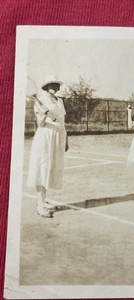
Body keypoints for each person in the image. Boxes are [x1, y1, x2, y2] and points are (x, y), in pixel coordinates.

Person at [27, 75, 67, 217]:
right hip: (45, 135)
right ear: (46, 87)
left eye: (56, 84)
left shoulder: (60, 100)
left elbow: (62, 120)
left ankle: (44, 200)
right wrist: (43, 114)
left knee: (50, 169)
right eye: (51, 84)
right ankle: (40, 205)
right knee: (42, 168)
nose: (53, 87)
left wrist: (65, 140)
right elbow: (40, 123)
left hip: (58, 135)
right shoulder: (40, 100)